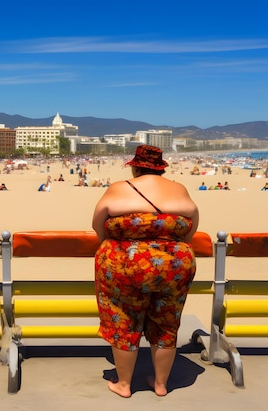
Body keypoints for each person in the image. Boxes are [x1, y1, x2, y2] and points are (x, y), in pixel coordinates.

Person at [91, 144, 199, 398]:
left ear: (136, 166)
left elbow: (98, 227)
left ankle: (124, 384)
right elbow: (191, 230)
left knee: (123, 319)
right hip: (175, 265)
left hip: (124, 264)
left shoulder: (119, 188)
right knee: (167, 324)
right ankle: (161, 384)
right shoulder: (179, 189)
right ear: (161, 168)